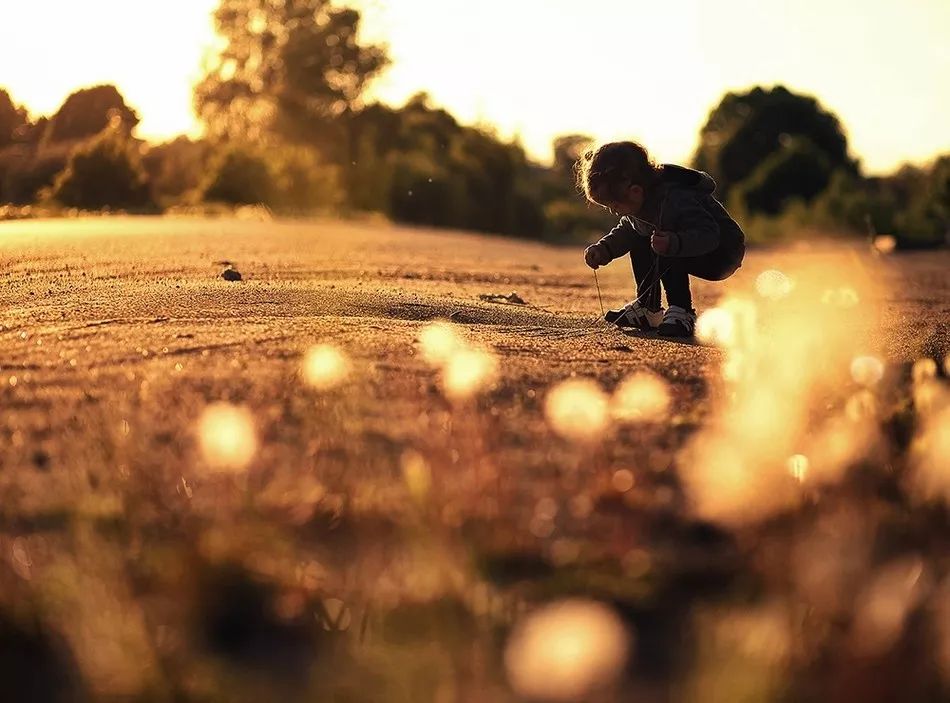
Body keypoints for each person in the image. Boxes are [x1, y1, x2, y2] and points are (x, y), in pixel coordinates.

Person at [579, 141, 745, 337]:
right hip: (689, 244)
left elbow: (709, 234)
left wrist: (675, 242)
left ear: (635, 191)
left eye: (614, 205)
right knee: (642, 237)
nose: (613, 211)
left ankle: (682, 311)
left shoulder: (676, 198)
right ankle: (647, 308)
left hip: (722, 254)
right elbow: (628, 229)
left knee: (663, 239)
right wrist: (604, 249)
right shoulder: (639, 202)